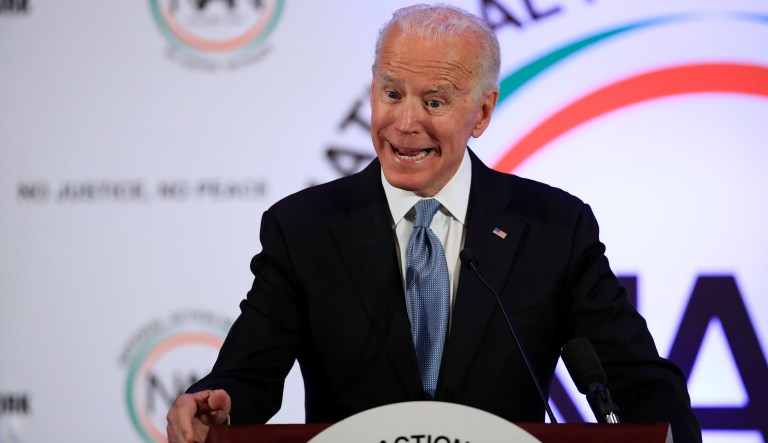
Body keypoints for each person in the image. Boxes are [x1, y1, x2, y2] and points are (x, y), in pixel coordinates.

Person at [166, 4, 702, 443]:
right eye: (391, 94)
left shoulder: (552, 228)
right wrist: (214, 404)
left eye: (435, 101)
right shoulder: (304, 228)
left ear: (482, 113)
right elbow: (248, 375)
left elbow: (635, 377)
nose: (405, 123)